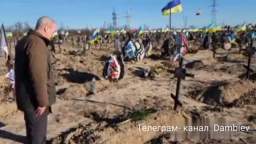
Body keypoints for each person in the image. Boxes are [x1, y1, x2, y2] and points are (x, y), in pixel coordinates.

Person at [15, 16, 57, 144]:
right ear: (46, 28)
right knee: (38, 137)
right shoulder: (37, 43)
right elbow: (38, 75)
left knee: (32, 131)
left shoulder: (25, 40)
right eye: (53, 31)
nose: (53, 34)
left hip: (26, 96)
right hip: (35, 100)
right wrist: (42, 102)